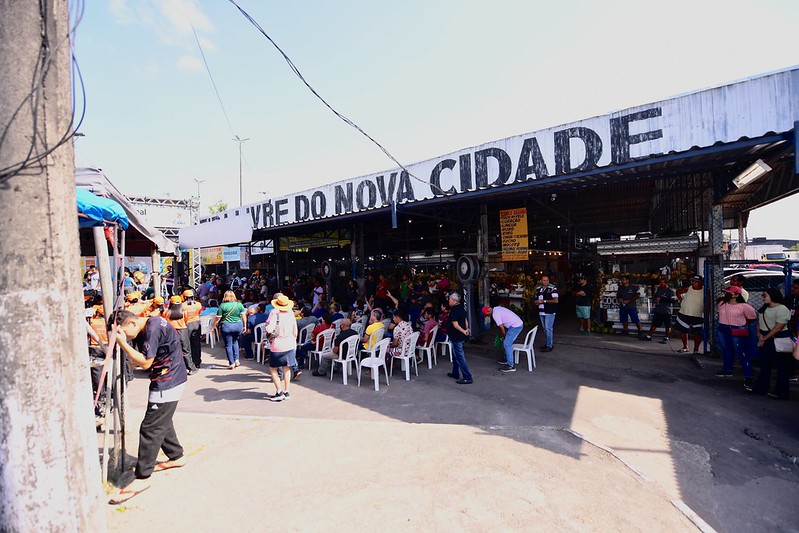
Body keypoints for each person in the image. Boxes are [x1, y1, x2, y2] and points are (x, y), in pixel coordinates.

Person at [109, 310, 187, 505]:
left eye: (125, 332)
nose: (125, 336)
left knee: (150, 428)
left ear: (132, 323)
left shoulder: (152, 329)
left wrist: (123, 344)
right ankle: (176, 456)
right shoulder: (152, 323)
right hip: (171, 377)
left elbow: (144, 363)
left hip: (167, 382)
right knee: (162, 421)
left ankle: (143, 477)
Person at [748, 289, 792, 399]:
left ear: (772, 296)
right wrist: (759, 334)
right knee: (764, 365)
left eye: (765, 295)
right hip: (765, 337)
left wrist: (765, 338)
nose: (763, 297)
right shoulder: (764, 309)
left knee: (781, 367)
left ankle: (781, 392)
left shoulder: (782, 309)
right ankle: (760, 388)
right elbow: (759, 324)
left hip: (778, 337)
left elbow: (778, 327)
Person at [716, 285, 756, 383]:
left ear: (736, 295)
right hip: (723, 328)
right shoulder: (721, 303)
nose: (726, 294)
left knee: (741, 352)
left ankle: (748, 375)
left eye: (729, 293)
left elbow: (752, 318)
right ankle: (727, 370)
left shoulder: (745, 306)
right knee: (727, 350)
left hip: (737, 329)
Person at [265, 293, 298, 401]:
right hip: (290, 343)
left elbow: (269, 329)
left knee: (273, 368)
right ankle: (287, 391)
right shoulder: (291, 313)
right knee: (286, 368)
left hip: (278, 345)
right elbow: (295, 331)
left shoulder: (275, 313)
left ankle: (279, 392)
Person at [163, 295, 198, 375]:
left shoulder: (166, 312)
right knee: (186, 351)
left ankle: (173, 369)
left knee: (172, 351)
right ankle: (191, 368)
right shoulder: (184, 312)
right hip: (182, 331)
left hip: (171, 332)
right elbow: (186, 320)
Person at [483, 304, 524, 373]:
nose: (488, 316)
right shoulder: (496, 308)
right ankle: (506, 359)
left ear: (488, 311)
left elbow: (501, 328)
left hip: (515, 326)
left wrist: (504, 336)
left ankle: (510, 365)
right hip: (515, 324)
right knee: (507, 342)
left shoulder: (495, 315)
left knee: (507, 344)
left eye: (487, 315)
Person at [213, 290, 246, 370]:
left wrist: (213, 326)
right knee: (235, 342)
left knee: (228, 345)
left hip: (227, 326)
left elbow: (218, 318)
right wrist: (245, 326)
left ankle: (231, 363)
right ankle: (237, 360)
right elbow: (244, 316)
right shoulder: (239, 304)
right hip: (238, 325)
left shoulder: (222, 306)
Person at [446, 292, 472, 384]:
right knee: (455, 355)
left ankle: (467, 377)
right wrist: (466, 328)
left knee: (460, 357)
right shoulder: (461, 308)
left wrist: (464, 331)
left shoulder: (454, 311)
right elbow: (465, 319)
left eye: (449, 299)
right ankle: (455, 373)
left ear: (453, 300)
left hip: (456, 336)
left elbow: (455, 325)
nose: (448, 301)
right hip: (457, 336)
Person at [674, 275, 704, 354]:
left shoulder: (705, 291)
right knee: (683, 331)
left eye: (695, 282)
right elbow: (678, 292)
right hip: (684, 313)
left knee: (698, 333)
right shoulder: (689, 288)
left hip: (697, 315)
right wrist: (681, 300)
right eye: (693, 281)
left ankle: (696, 349)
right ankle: (685, 347)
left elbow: (708, 302)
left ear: (701, 283)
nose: (693, 283)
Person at [643, 277, 675, 343]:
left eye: (662, 283)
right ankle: (648, 336)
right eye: (660, 283)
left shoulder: (670, 291)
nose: (660, 284)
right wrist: (654, 298)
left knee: (667, 325)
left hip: (666, 311)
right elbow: (656, 296)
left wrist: (661, 299)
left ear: (666, 283)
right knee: (654, 324)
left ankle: (666, 337)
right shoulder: (659, 289)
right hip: (658, 309)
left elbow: (673, 300)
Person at [534, 275, 559, 352]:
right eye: (544, 280)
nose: (546, 282)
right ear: (541, 281)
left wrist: (544, 301)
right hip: (541, 312)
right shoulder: (539, 289)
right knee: (545, 329)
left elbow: (556, 300)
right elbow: (536, 299)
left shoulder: (552, 288)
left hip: (549, 311)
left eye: (547, 280)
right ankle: (548, 343)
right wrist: (536, 302)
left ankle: (549, 345)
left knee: (548, 329)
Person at [182, 289, 203, 370]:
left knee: (188, 345)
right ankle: (197, 362)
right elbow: (199, 312)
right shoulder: (198, 304)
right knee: (197, 344)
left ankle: (190, 363)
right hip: (197, 323)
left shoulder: (183, 306)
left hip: (187, 324)